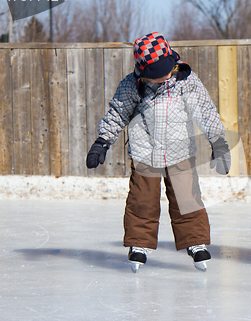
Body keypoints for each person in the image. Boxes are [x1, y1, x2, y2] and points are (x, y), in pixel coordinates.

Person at [86, 32, 231, 272]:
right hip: (145, 153)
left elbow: (205, 111)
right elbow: (118, 113)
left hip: (180, 152)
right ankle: (139, 244)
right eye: (155, 74)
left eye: (165, 70)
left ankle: (196, 242)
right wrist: (102, 141)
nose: (162, 76)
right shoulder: (132, 85)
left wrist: (218, 142)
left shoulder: (186, 82)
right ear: (143, 72)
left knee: (187, 199)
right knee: (141, 201)